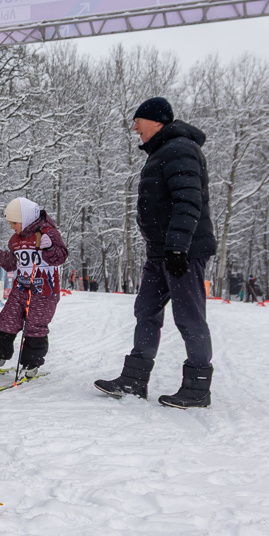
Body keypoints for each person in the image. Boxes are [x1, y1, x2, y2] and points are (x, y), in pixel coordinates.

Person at [94, 97, 216, 409]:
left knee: (189, 317)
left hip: (182, 252)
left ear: (157, 121)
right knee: (146, 310)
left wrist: (178, 247)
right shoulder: (162, 152)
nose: (134, 127)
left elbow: (188, 201)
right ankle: (135, 378)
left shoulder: (180, 149)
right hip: (160, 252)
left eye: (138, 121)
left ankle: (198, 386)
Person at [0, 197, 67, 378]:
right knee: (5, 322)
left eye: (14, 222)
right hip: (20, 290)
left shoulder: (47, 232)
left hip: (44, 292)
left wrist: (50, 247)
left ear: (26, 217)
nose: (12, 226)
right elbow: (12, 264)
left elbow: (60, 257)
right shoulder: (15, 240)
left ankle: (31, 364)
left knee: (34, 327)